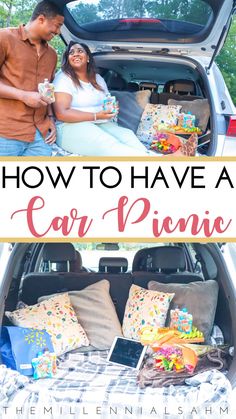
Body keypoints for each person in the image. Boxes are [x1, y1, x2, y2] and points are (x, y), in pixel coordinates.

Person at [53, 42, 154, 156]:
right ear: (68, 59)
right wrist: (96, 115)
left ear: (88, 58)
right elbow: (61, 113)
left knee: (127, 135)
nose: (75, 54)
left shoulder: (98, 78)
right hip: (69, 126)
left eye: (80, 51)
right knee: (108, 143)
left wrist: (112, 108)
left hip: (99, 122)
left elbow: (107, 101)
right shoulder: (63, 77)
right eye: (71, 52)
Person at [0, 0, 64, 156]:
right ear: (41, 19)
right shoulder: (5, 37)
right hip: (5, 132)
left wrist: (50, 118)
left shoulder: (52, 54)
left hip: (40, 134)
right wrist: (23, 96)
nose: (59, 31)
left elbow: (48, 90)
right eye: (57, 25)